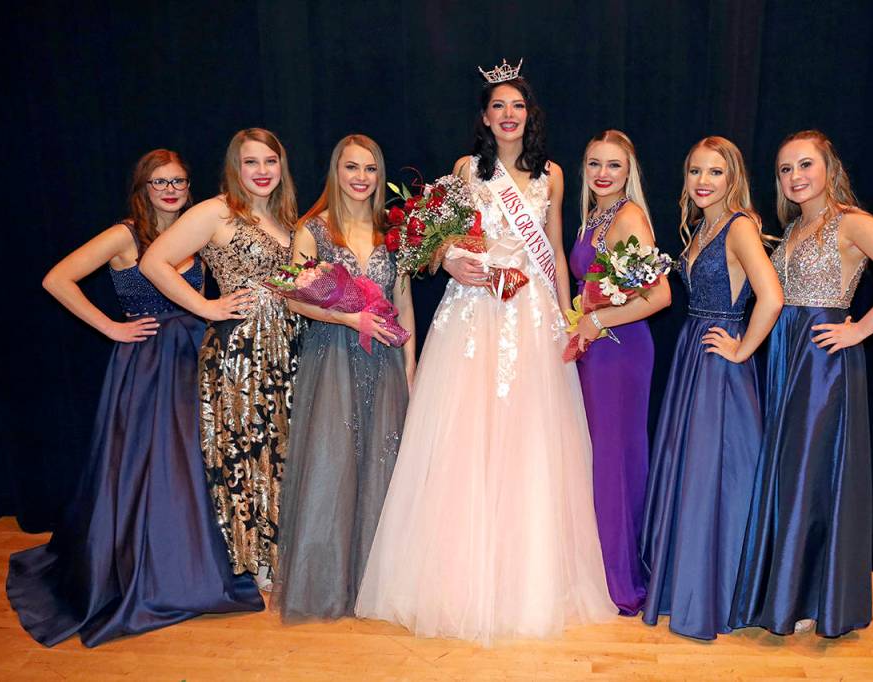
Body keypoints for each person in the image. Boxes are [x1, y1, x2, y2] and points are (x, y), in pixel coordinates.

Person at [355, 61, 615, 643]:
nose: (507, 115)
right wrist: (451, 261)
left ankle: (526, 578)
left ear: (530, 114)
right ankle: (453, 580)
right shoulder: (466, 170)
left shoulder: (551, 174)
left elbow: (551, 243)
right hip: (473, 307)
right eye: (497, 106)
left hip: (530, 310)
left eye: (517, 106)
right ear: (484, 117)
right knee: (464, 438)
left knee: (529, 440)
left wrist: (570, 316)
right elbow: (434, 237)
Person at [7, 149, 263, 647]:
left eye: (179, 182)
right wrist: (109, 327)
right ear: (142, 187)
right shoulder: (127, 234)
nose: (170, 191)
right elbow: (56, 279)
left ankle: (197, 566)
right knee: (149, 467)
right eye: (159, 182)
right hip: (147, 364)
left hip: (196, 355)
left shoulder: (197, 227)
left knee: (195, 465)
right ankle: (151, 574)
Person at [731, 130, 873, 637]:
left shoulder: (851, 222)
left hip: (821, 361)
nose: (795, 176)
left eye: (805, 165)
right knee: (785, 472)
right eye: (785, 169)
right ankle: (786, 593)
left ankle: (804, 599)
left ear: (828, 167)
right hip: (783, 356)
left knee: (808, 475)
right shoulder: (795, 227)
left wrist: (859, 328)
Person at [141, 129, 303, 590]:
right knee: (248, 448)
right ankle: (257, 561)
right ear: (235, 167)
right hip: (241, 350)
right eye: (251, 162)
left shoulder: (284, 216)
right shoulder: (215, 211)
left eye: (270, 161)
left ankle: (283, 549)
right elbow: (154, 262)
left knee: (282, 448)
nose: (262, 171)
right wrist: (207, 307)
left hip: (288, 345)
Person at [639, 137, 783, 639]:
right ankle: (691, 583)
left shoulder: (740, 227)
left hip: (720, 360)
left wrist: (742, 349)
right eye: (696, 171)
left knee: (716, 475)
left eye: (715, 172)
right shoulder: (705, 224)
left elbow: (772, 296)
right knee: (695, 472)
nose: (703, 181)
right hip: (691, 353)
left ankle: (718, 591)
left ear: (733, 178)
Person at [273, 135, 414, 620]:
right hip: (333, 358)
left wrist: (411, 375)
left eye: (370, 169)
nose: (361, 177)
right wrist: (349, 320)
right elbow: (292, 298)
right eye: (352, 167)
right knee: (333, 466)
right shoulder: (314, 230)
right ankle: (329, 585)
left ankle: (376, 586)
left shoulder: (390, 234)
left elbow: (405, 307)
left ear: (380, 177)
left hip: (385, 363)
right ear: (336, 171)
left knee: (382, 467)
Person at [567, 130, 672, 615]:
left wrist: (597, 319)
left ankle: (620, 579)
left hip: (622, 353)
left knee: (614, 463)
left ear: (629, 171)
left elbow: (660, 297)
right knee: (601, 461)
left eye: (613, 165)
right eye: (594, 164)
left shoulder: (629, 217)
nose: (602, 173)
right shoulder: (595, 215)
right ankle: (603, 567)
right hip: (598, 352)